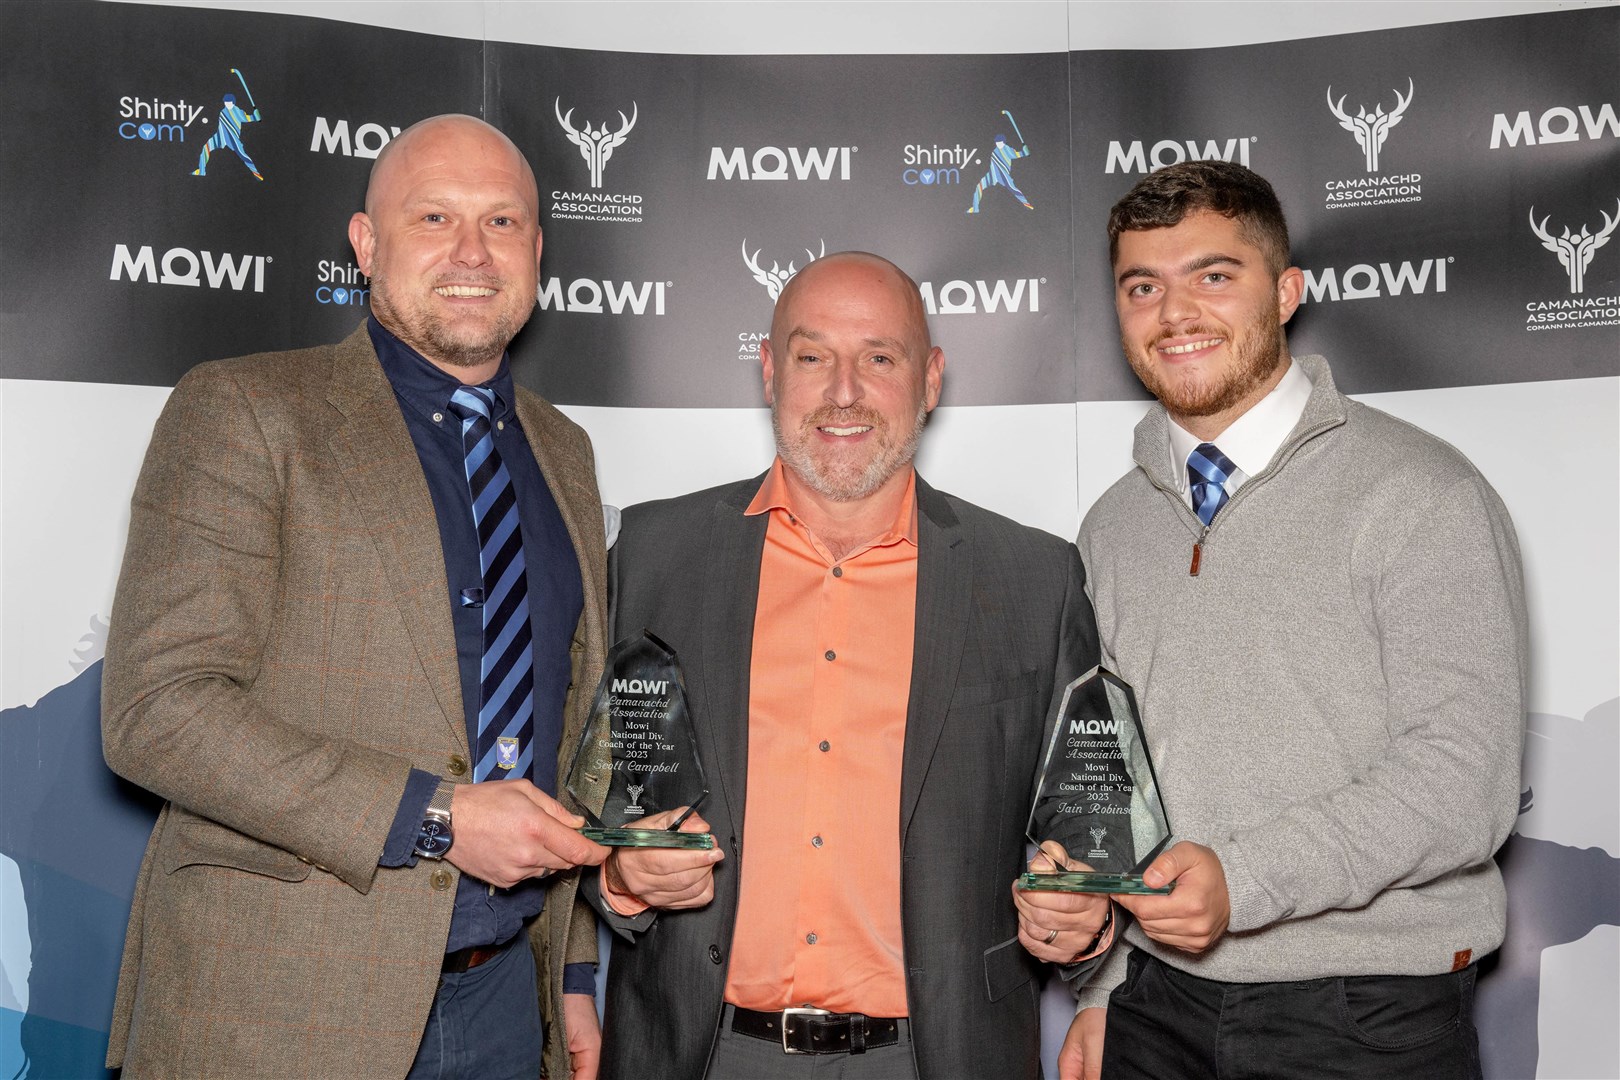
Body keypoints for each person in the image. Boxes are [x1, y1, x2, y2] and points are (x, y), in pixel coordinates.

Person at [102, 114, 611, 1080]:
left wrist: (572, 973)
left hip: (505, 1001)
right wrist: (439, 817)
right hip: (277, 1003)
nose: (472, 251)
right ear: (367, 244)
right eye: (434, 217)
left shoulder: (565, 454)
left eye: (502, 223)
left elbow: (563, 731)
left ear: (538, 252)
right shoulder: (245, 410)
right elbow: (156, 712)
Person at [585, 251, 1112, 1080]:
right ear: (769, 370)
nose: (843, 392)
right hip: (700, 1052)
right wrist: (617, 874)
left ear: (930, 379)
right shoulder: (651, 556)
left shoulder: (1036, 579)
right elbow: (585, 793)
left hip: (935, 1059)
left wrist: (1085, 918)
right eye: (811, 356)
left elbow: (1086, 836)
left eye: (878, 358)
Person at [1064, 161, 1527, 1080]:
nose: (1175, 312)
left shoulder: (1420, 492)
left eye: (1214, 276)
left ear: (1286, 292)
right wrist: (1106, 988)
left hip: (1364, 1014)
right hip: (1157, 1006)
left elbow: (1463, 782)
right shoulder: (1113, 525)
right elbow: (1118, 784)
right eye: (1142, 286)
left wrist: (1245, 882)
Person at [192, 90, 263, 179]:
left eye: (229, 102)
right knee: (206, 148)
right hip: (220, 136)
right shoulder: (222, 112)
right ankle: (201, 170)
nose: (227, 104)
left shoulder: (238, 112)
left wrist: (255, 117)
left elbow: (248, 118)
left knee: (243, 156)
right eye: (225, 102)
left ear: (233, 103)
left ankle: (256, 174)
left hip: (233, 138)